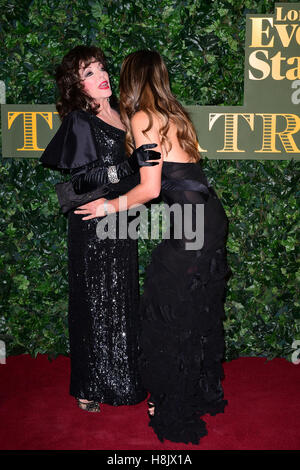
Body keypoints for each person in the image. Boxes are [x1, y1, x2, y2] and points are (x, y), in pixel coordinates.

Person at [74, 50, 232, 444]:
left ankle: (170, 404)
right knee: (197, 309)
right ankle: (198, 392)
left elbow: (151, 189)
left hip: (192, 226)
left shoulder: (145, 117)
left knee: (167, 312)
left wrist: (108, 205)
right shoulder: (174, 113)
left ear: (131, 78)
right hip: (208, 217)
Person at [40, 45, 160, 412]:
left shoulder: (126, 115)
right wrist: (126, 168)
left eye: (101, 68)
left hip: (122, 218)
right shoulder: (80, 121)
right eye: (88, 72)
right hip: (92, 223)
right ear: (77, 85)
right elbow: (77, 185)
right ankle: (89, 386)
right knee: (93, 302)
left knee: (121, 298)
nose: (100, 75)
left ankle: (124, 381)